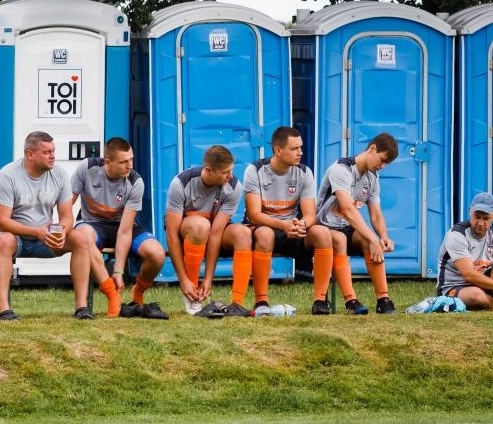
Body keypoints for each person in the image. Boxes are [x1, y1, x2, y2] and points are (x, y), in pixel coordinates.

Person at [0, 130, 91, 321]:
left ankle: (82, 307)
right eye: (47, 152)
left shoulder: (59, 174)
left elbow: (67, 217)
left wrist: (61, 231)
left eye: (53, 151)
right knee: (5, 241)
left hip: (43, 234)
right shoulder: (7, 175)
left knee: (80, 239)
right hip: (10, 233)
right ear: (30, 155)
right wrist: (37, 232)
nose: (53, 156)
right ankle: (4, 310)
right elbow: (2, 222)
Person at [68, 137, 166, 319]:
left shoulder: (136, 182)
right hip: (92, 224)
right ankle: (111, 294)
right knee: (83, 238)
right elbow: (67, 204)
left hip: (122, 227)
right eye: (123, 162)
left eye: (131, 160)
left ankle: (138, 293)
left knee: (158, 254)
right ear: (108, 162)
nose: (129, 166)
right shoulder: (87, 168)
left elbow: (125, 231)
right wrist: (62, 229)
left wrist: (119, 271)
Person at [241, 126, 330, 315]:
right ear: (278, 150)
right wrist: (284, 225)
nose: (301, 153)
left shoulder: (305, 172)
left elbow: (310, 215)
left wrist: (301, 225)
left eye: (301, 148)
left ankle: (320, 301)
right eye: (295, 149)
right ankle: (261, 302)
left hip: (292, 229)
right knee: (264, 235)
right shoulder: (255, 170)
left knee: (322, 233)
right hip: (264, 227)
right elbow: (254, 215)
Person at [311, 133, 399, 315]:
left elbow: (375, 214)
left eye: (386, 164)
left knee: (368, 241)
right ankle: (350, 301)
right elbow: (348, 209)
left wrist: (383, 237)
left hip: (345, 227)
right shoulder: (341, 169)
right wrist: (373, 238)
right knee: (341, 240)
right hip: (322, 227)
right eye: (382, 161)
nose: (382, 167)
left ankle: (383, 300)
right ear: (372, 148)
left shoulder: (373, 177)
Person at [163, 144, 247, 315]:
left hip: (213, 230)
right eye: (225, 172)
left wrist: (209, 278)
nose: (230, 176)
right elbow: (171, 234)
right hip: (188, 232)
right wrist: (183, 280)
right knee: (201, 225)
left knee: (243, 233)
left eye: (231, 170)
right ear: (209, 170)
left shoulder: (234, 186)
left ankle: (237, 304)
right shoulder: (181, 183)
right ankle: (192, 294)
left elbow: (216, 233)